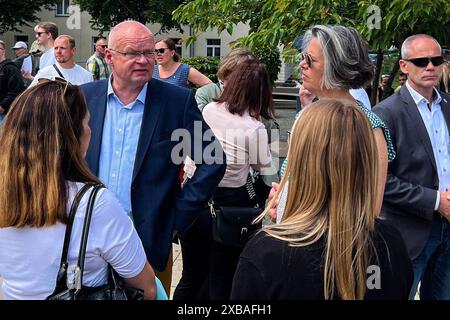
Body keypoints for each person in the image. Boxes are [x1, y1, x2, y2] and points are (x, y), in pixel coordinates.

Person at [81, 21, 226, 296]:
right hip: (88, 237)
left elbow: (213, 159)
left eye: (149, 52)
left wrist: (178, 217)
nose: (144, 60)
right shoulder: (84, 98)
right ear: (109, 57)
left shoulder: (176, 101)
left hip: (147, 238)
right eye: (133, 53)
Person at [231, 100, 413, 300]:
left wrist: (288, 222)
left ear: (300, 159)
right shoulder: (391, 245)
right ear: (366, 161)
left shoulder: (267, 255)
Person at [0, 79, 157, 300]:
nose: (89, 131)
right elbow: (146, 288)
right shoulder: (94, 204)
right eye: (86, 123)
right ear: (71, 137)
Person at [174, 61, 275, 300]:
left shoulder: (209, 110)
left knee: (190, 276)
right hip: (231, 206)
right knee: (220, 278)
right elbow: (263, 166)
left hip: (196, 196)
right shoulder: (254, 128)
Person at [273, 25, 395, 221]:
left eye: (310, 60)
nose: (302, 64)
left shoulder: (368, 126)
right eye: (302, 57)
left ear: (336, 66)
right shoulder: (308, 114)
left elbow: (370, 211)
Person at [373, 34, 450, 300]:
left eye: (436, 60)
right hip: (409, 232)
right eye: (421, 61)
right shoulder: (386, 113)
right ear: (404, 66)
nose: (430, 67)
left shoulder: (448, 106)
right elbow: (381, 181)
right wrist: (435, 201)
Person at [0, 40, 25, 124]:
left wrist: (3, 106)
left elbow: (17, 90)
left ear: (3, 50)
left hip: (4, 114)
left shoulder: (11, 68)